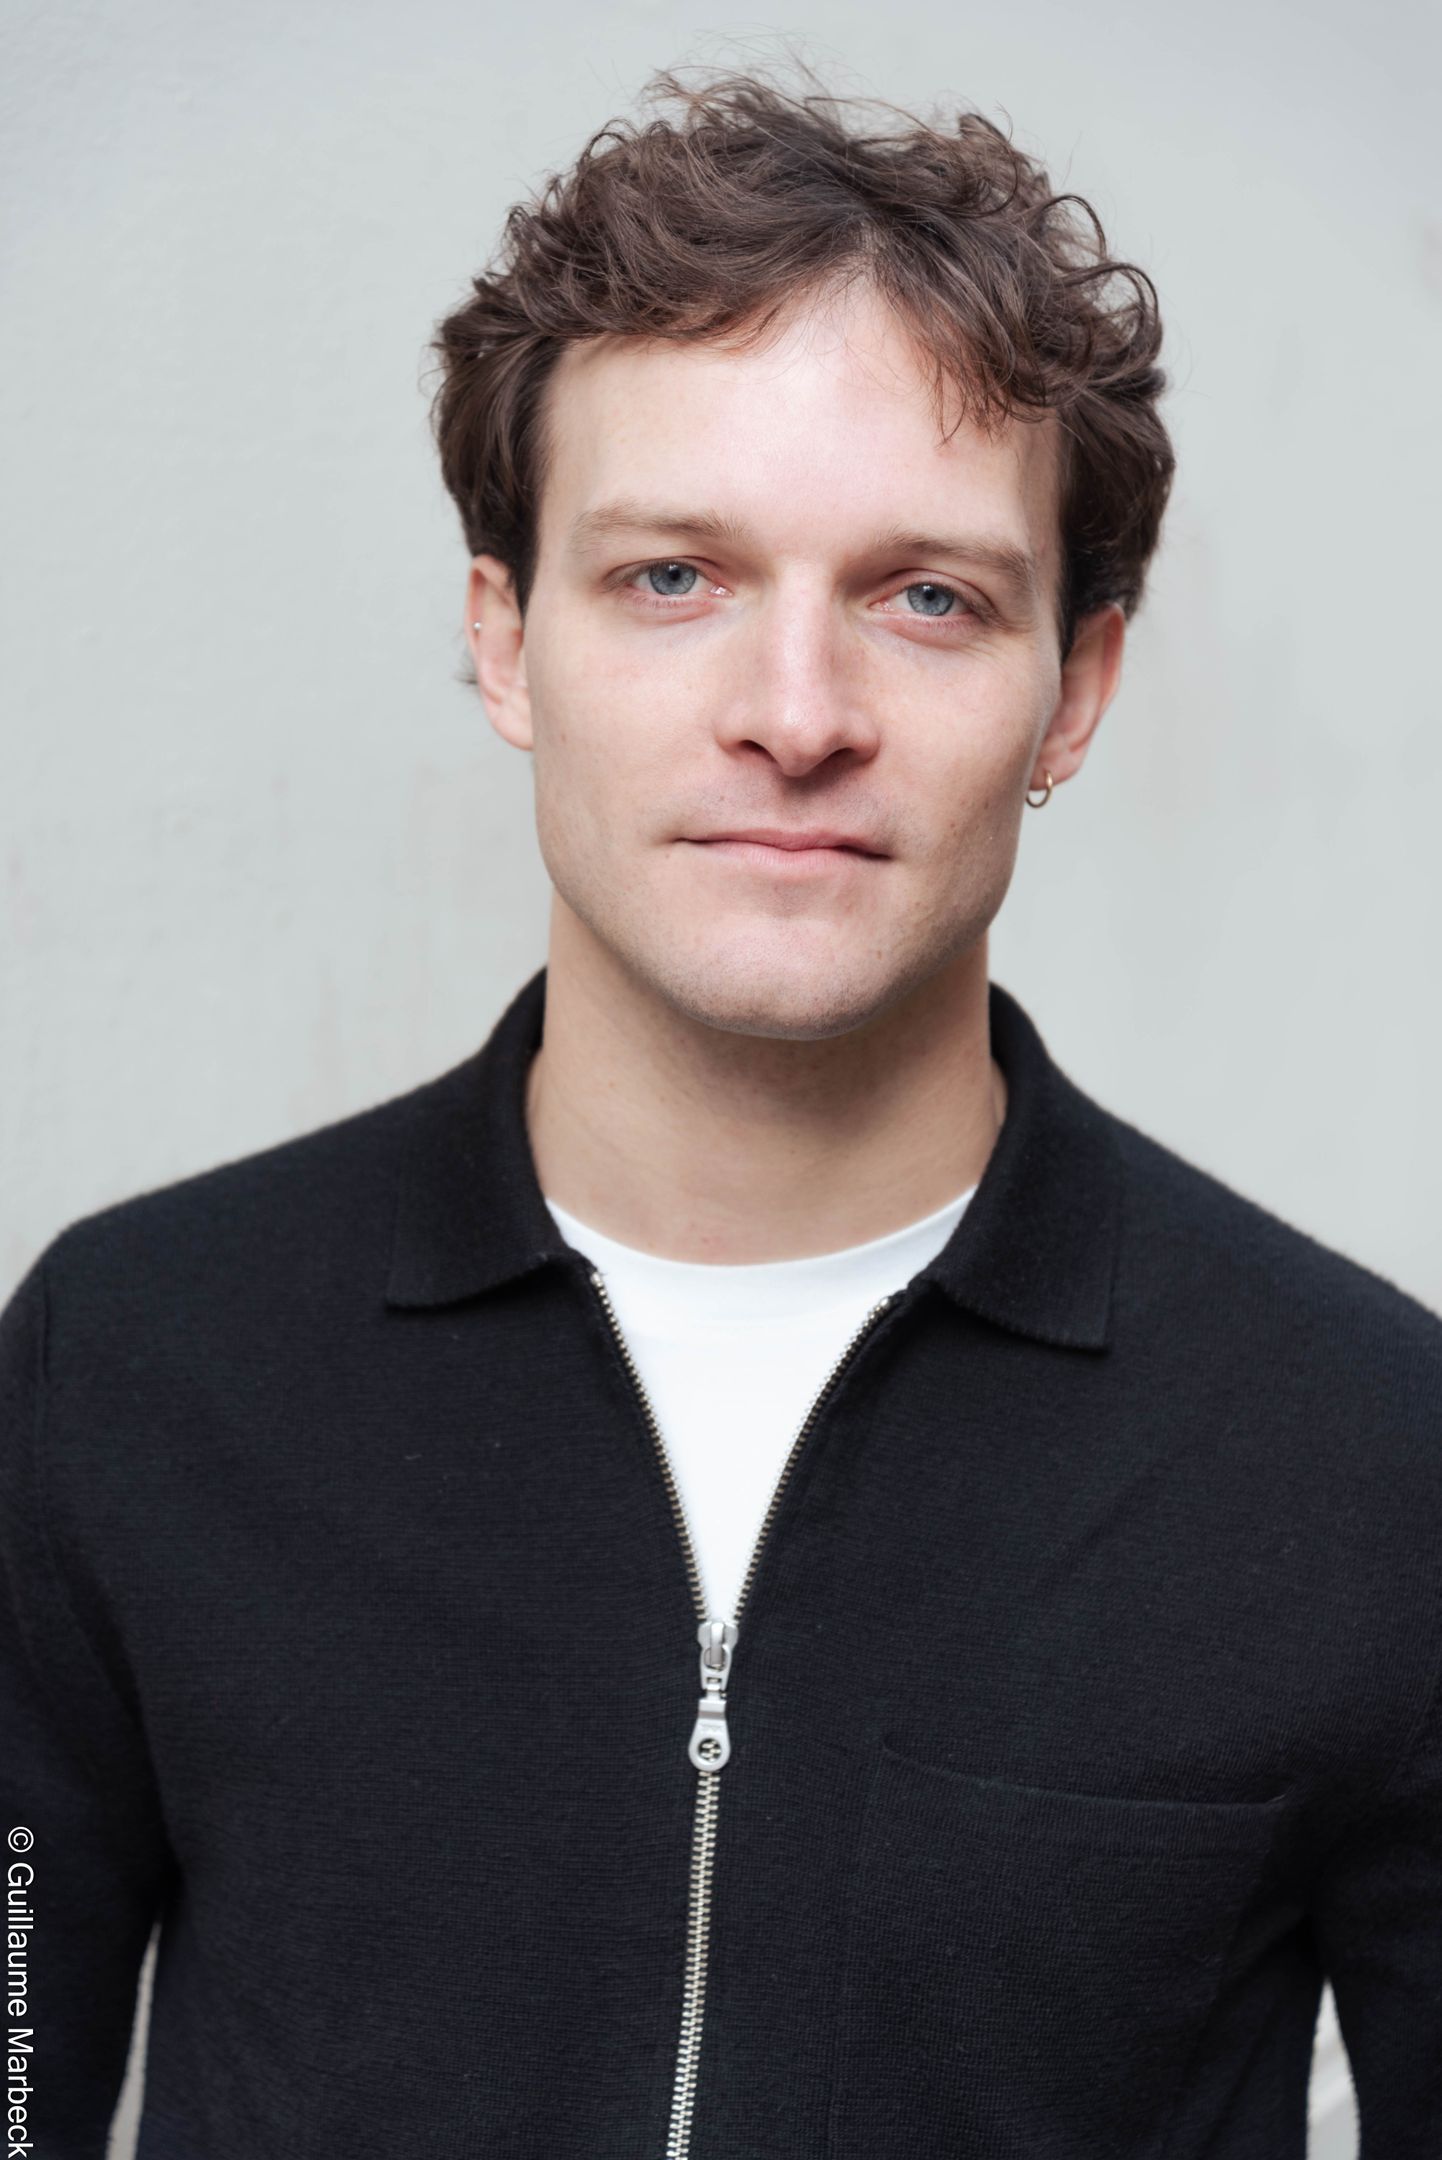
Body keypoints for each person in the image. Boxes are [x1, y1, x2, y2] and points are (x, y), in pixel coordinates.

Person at [2, 64, 1438, 2160]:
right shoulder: (131, 1364)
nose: (793, 714)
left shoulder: (1368, 1455)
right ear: (506, 639)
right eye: (673, 577)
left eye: (926, 595)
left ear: (1074, 689)